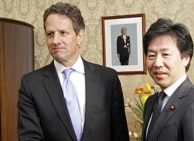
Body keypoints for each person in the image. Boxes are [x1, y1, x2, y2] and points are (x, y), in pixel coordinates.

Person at [17, 2, 129, 141]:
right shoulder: (31, 84)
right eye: (50, 34)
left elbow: (120, 135)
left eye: (63, 33)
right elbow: (30, 137)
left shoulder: (107, 79)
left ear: (79, 36)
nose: (55, 40)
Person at [141, 18, 194, 141]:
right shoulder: (151, 102)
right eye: (151, 55)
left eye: (166, 54)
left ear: (185, 58)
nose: (157, 63)